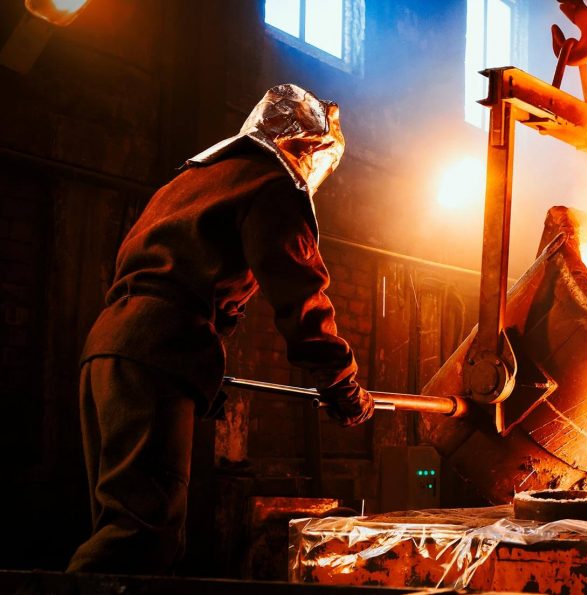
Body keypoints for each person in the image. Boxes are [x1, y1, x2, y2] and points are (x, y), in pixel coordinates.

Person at [67, 84, 373, 574]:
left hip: (110, 346)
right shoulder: (271, 184)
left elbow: (184, 276)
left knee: (125, 522)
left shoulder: (191, 182)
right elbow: (299, 292)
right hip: (155, 349)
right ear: (308, 147)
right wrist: (342, 384)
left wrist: (200, 367)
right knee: (138, 538)